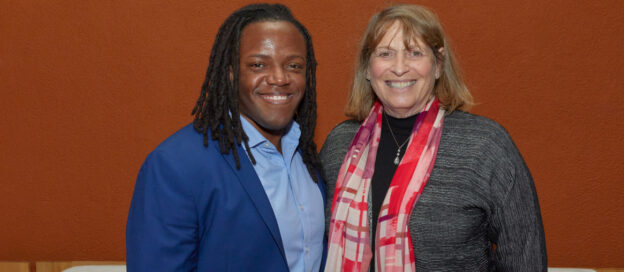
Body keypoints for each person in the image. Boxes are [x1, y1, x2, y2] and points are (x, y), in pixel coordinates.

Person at [321, 4, 546, 271]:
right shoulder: (339, 145)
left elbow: (525, 258)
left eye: (415, 53)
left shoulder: (485, 147)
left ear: (438, 65)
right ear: (368, 69)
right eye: (385, 54)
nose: (400, 68)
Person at [126, 4, 325, 271]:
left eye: (294, 65)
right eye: (258, 64)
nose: (280, 78)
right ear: (231, 73)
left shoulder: (308, 158)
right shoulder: (175, 166)